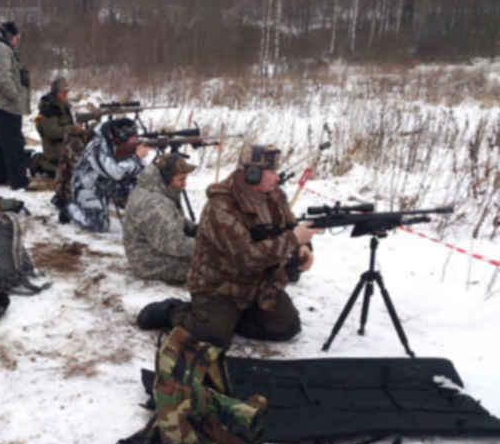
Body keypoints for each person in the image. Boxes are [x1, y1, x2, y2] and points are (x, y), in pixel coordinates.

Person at [138, 143, 320, 347]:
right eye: (271, 171)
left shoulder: (275, 195)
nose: (277, 177)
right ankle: (174, 311)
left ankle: (228, 319)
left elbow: (288, 226)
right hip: (219, 285)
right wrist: (294, 240)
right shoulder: (221, 206)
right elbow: (248, 257)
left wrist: (302, 248)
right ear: (252, 174)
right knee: (212, 336)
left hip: (258, 282)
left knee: (286, 327)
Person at [122, 153, 197, 284]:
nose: (184, 184)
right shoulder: (154, 203)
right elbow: (175, 244)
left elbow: (173, 219)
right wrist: (206, 246)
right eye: (181, 179)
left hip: (153, 248)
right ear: (167, 178)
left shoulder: (157, 189)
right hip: (147, 262)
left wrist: (195, 229)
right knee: (206, 266)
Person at [67, 117, 148, 232]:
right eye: (133, 139)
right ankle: (70, 209)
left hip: (106, 184)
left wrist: (138, 161)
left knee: (139, 187)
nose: (135, 141)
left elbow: (138, 170)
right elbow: (115, 173)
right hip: (87, 188)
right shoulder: (97, 147)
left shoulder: (119, 145)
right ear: (121, 137)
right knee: (98, 225)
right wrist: (136, 157)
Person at [0, 21, 31, 191]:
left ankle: (0, 176)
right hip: (6, 105)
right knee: (13, 142)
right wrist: (16, 97)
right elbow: (2, 78)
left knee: (0, 140)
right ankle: (18, 181)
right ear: (9, 36)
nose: (17, 41)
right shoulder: (1, 49)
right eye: (16, 37)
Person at [30, 76, 83, 179]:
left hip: (66, 143)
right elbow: (53, 132)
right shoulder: (48, 109)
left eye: (66, 92)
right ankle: (42, 163)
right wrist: (72, 129)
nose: (66, 95)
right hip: (55, 148)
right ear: (56, 93)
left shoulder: (64, 106)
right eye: (63, 92)